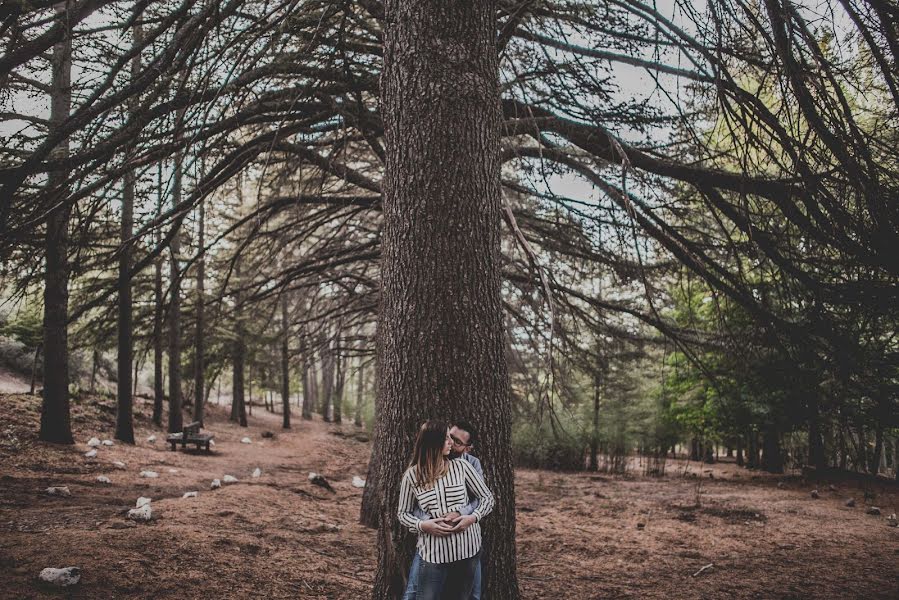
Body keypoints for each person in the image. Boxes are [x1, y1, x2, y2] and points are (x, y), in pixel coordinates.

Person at [398, 420, 494, 600]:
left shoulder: (463, 466)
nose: (450, 443)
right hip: (434, 553)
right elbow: (402, 513)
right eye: (447, 438)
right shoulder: (412, 475)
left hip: (468, 550)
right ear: (433, 442)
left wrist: (471, 518)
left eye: (454, 440)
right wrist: (423, 525)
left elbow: (487, 498)